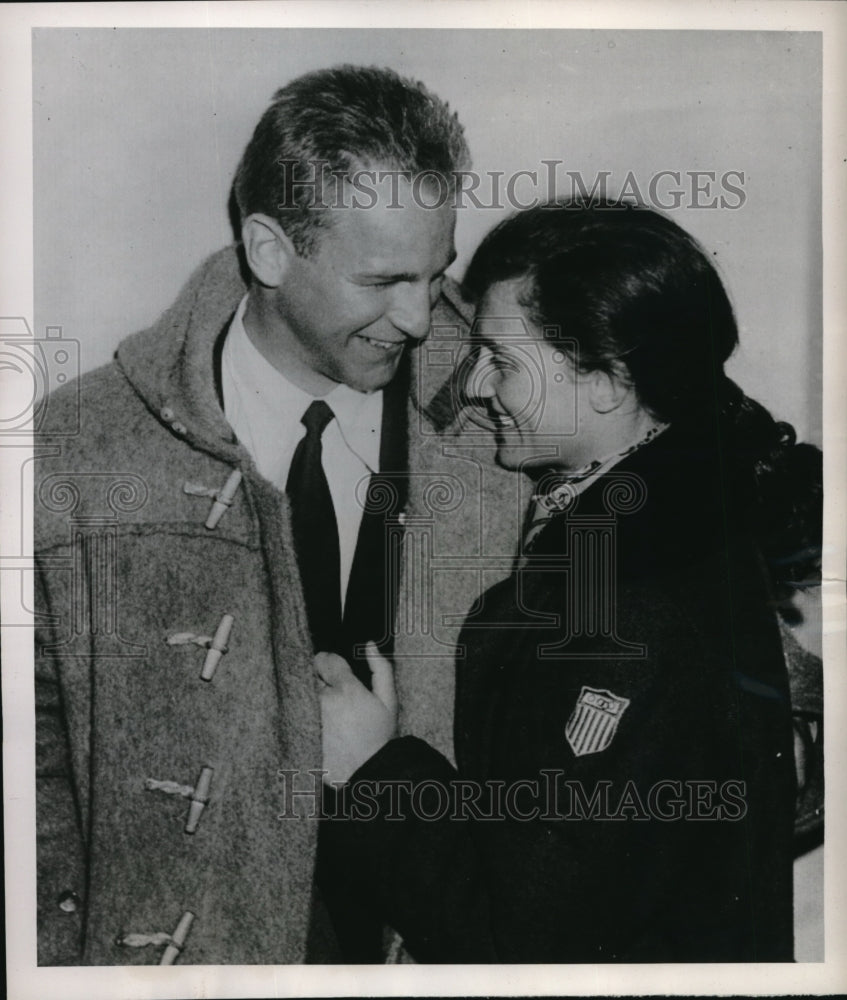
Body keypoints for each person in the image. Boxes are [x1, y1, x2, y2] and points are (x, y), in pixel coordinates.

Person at [34, 64, 522, 965]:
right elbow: (32, 762)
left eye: (435, 272)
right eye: (381, 280)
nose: (419, 319)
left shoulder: (510, 421)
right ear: (268, 250)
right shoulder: (78, 442)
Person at [317, 201, 802, 962]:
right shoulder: (662, 523)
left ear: (608, 380)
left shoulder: (628, 609)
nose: (474, 388)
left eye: (502, 362)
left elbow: (524, 941)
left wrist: (375, 771)